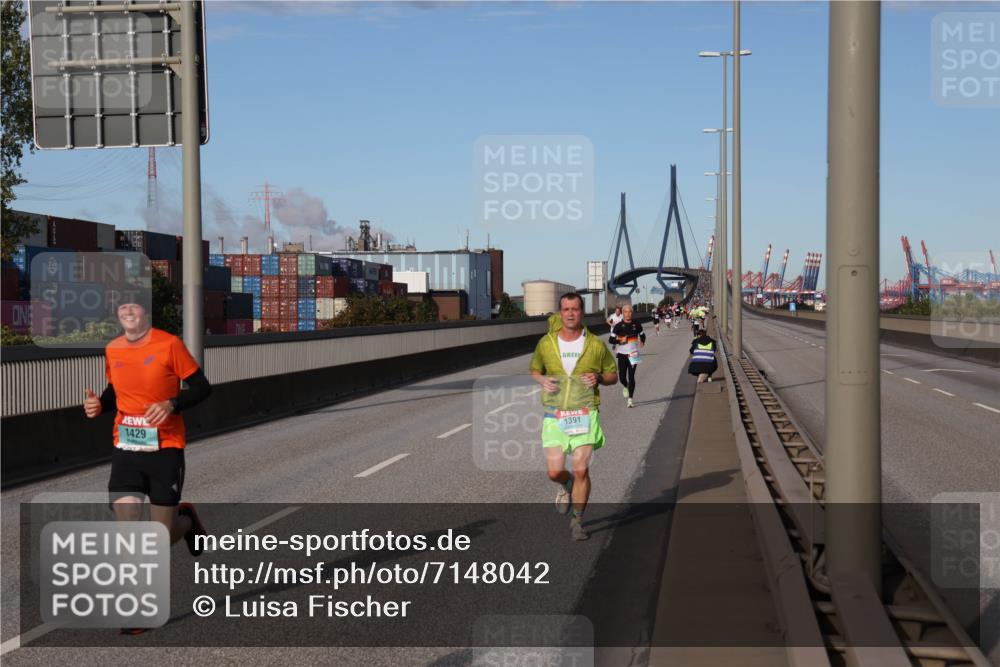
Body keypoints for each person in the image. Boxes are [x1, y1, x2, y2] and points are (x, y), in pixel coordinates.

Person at [84, 302, 212, 576]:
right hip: (126, 450)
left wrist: (172, 404)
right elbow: (114, 391)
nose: (128, 311)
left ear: (147, 313)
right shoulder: (113, 348)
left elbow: (203, 388)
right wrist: (100, 405)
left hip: (165, 450)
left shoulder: (170, 345)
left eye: (135, 306)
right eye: (122, 307)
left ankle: (187, 521)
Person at [531, 293, 618, 541]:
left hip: (585, 412)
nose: (570, 313)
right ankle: (565, 485)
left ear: (582, 313)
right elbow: (535, 369)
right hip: (554, 414)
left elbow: (613, 375)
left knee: (581, 469)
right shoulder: (546, 344)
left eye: (575, 309)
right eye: (566, 309)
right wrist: (542, 379)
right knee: (554, 472)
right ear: (560, 313)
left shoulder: (595, 345)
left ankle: (578, 521)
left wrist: (599, 378)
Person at [610, 304, 645, 408]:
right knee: (622, 377)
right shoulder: (618, 326)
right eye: (625, 312)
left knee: (631, 377)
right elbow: (611, 340)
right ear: (622, 313)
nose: (628, 314)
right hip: (621, 354)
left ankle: (630, 399)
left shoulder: (637, 324)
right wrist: (620, 340)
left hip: (633, 354)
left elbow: (642, 335)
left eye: (630, 312)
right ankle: (626, 386)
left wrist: (643, 341)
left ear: (632, 313)